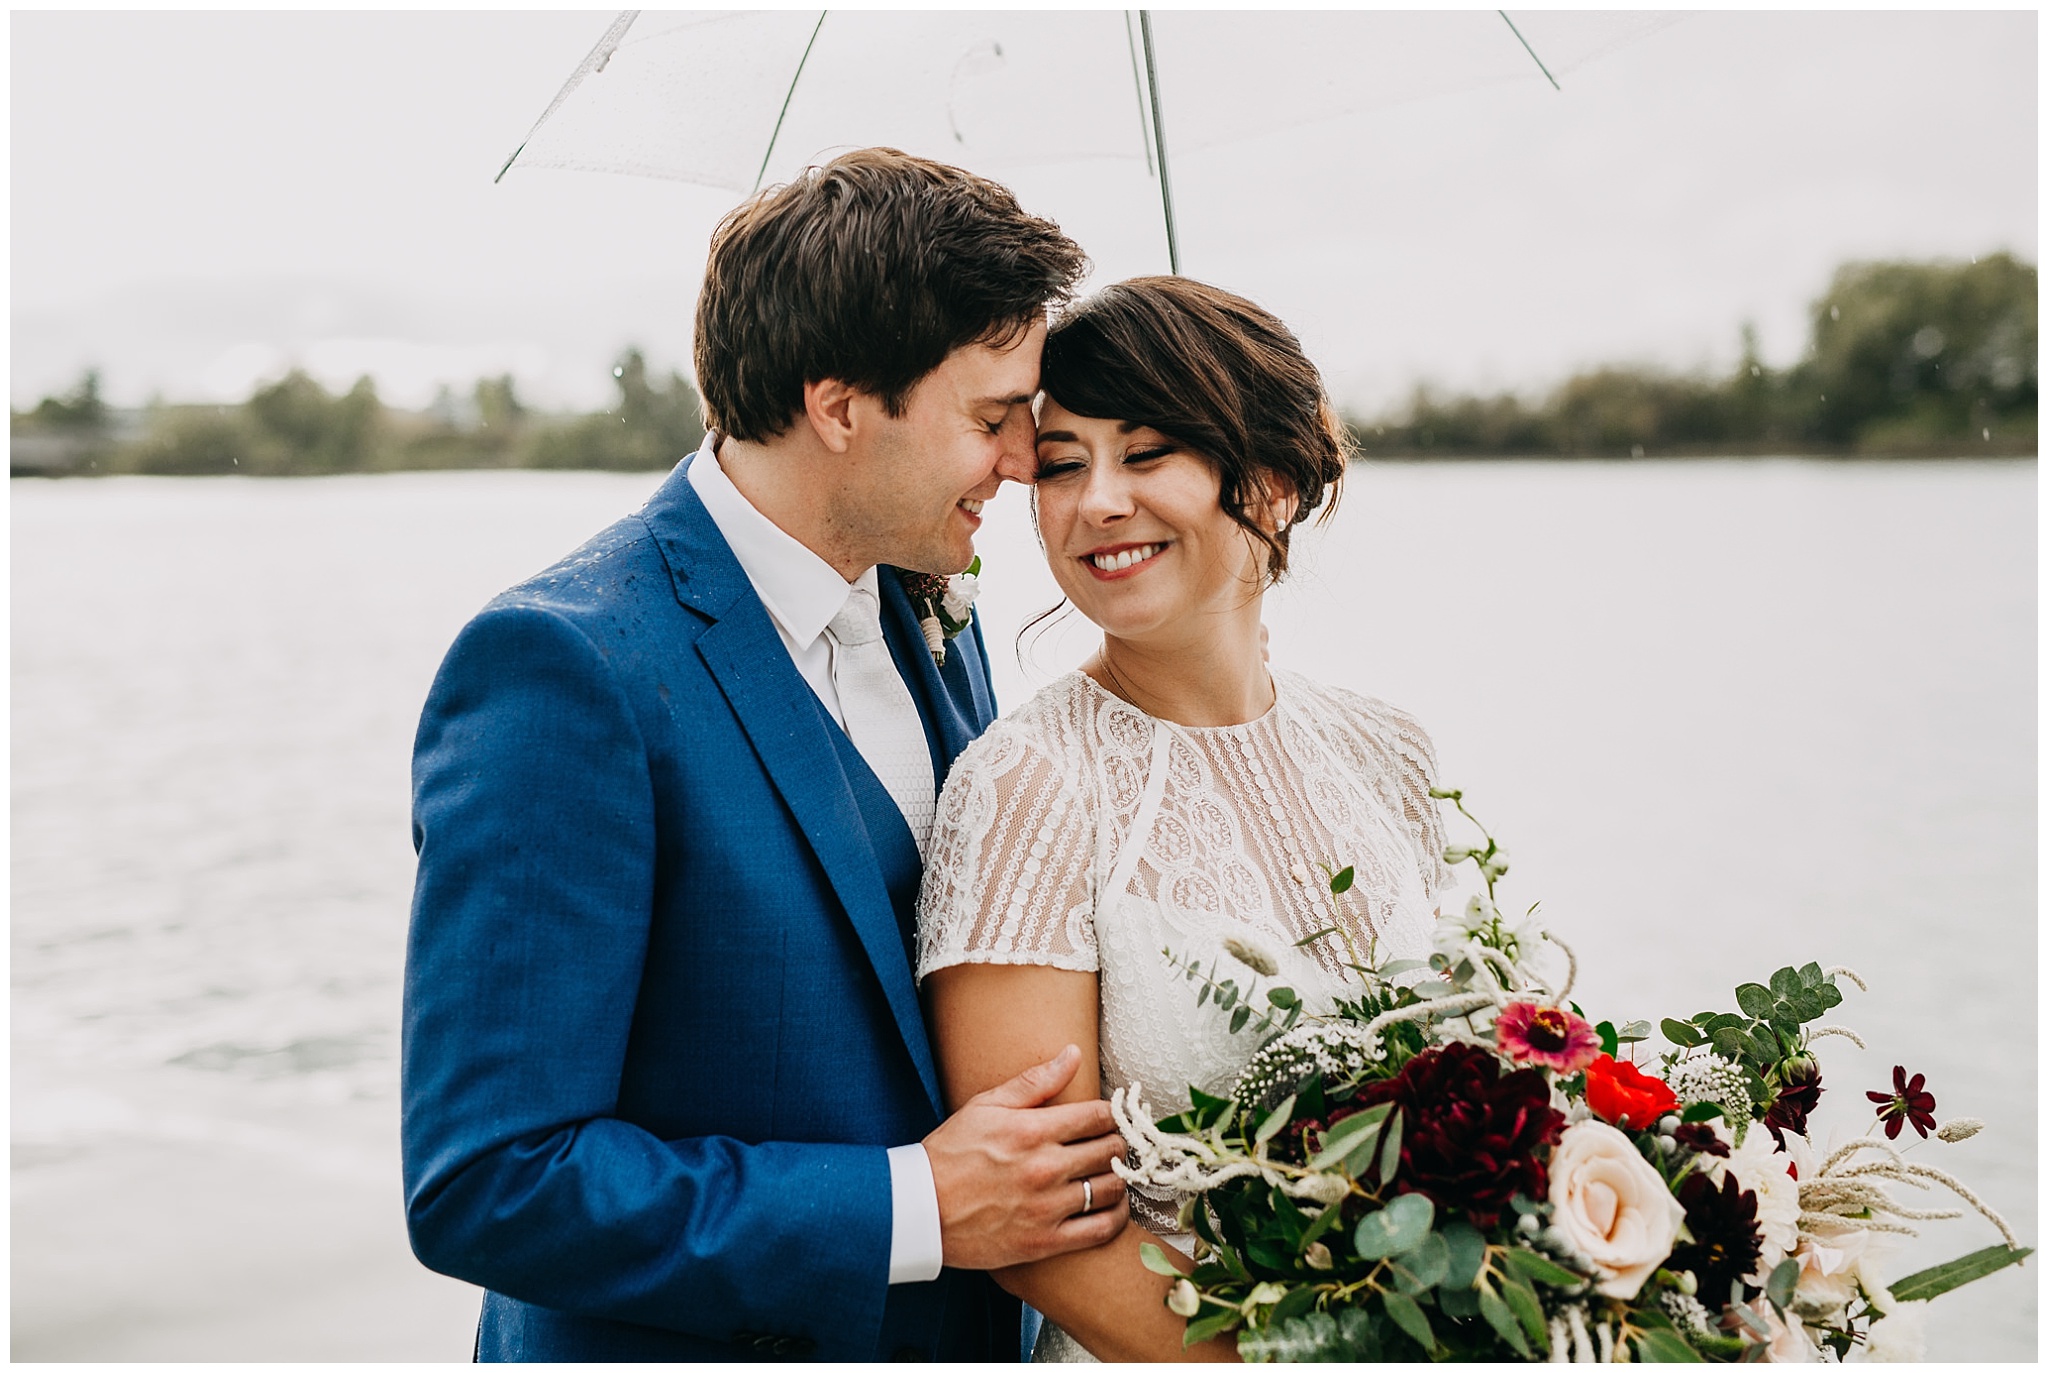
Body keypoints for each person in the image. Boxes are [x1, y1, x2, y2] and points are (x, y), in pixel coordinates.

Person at [401, 148, 1134, 1362]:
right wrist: (916, 1207)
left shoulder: (929, 608)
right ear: (840, 406)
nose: (1020, 461)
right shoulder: (559, 669)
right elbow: (490, 1178)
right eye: (990, 416)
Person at [916, 277, 1454, 1361]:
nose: (1096, 501)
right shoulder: (1024, 788)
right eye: (1061, 464)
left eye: (1148, 451)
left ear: (1271, 482)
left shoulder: (1385, 748)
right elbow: (1036, 1228)